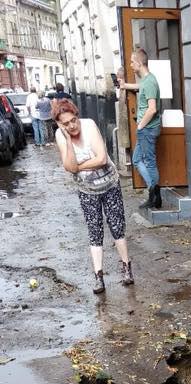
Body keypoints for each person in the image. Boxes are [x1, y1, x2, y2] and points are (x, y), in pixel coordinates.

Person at [52, 98, 134, 294]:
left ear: (77, 116)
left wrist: (78, 167)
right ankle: (99, 276)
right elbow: (69, 166)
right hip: (87, 190)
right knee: (94, 231)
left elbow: (102, 158)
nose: (72, 125)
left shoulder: (89, 126)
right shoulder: (60, 135)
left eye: (74, 120)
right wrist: (69, 142)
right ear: (59, 124)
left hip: (110, 184)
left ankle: (126, 268)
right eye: (66, 123)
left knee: (117, 227)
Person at [120, 49, 161, 209]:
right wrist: (125, 86)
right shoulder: (146, 80)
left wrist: (140, 125)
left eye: (132, 62)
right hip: (146, 128)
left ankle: (155, 197)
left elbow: (152, 109)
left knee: (149, 162)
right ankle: (153, 192)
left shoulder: (150, 82)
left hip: (147, 128)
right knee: (137, 159)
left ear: (139, 63)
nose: (130, 65)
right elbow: (140, 86)